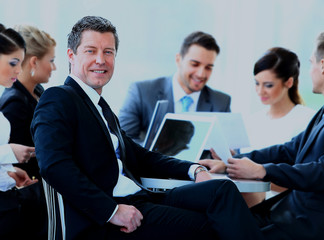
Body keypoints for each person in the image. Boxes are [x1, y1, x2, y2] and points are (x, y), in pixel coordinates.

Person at [31, 16, 264, 240]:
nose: (101, 60)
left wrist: (193, 170)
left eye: (108, 52)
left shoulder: (100, 107)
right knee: (214, 225)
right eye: (91, 51)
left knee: (221, 191)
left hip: (139, 199)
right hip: (106, 217)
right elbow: (54, 165)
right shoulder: (58, 98)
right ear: (71, 55)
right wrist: (111, 211)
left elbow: (142, 156)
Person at [200, 32, 324, 240]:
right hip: (286, 212)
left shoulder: (309, 115)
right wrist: (235, 160)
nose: (309, 69)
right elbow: (289, 149)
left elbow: (322, 171)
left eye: (311, 62)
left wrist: (262, 171)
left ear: (323, 65)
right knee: (212, 222)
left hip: (308, 222)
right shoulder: (323, 112)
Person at [119, 31, 231, 144]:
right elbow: (122, 141)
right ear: (178, 60)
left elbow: (231, 148)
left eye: (208, 67)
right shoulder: (141, 92)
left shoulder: (221, 102)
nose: (201, 74)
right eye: (195, 64)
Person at [0, 24, 44, 240]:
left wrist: (9, 174)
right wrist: (9, 153)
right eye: (14, 63)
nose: (19, 70)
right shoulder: (13, 101)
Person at [0, 24, 57, 180]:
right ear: (33, 62)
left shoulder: (38, 92)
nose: (54, 67)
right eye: (51, 60)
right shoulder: (14, 104)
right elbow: (12, 165)